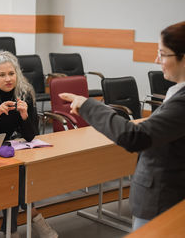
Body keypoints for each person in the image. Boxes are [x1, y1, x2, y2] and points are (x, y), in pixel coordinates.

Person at [59, 21, 185, 231]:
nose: (157, 60)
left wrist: (88, 105)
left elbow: (135, 137)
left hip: (163, 199)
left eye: (163, 54)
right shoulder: (177, 92)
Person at [0, 51, 58, 238]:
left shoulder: (25, 93)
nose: (8, 79)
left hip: (10, 146)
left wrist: (25, 116)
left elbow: (30, 136)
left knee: (19, 174)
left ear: (17, 74)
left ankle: (9, 231)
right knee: (15, 176)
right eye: (2, 75)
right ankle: (34, 219)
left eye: (11, 74)